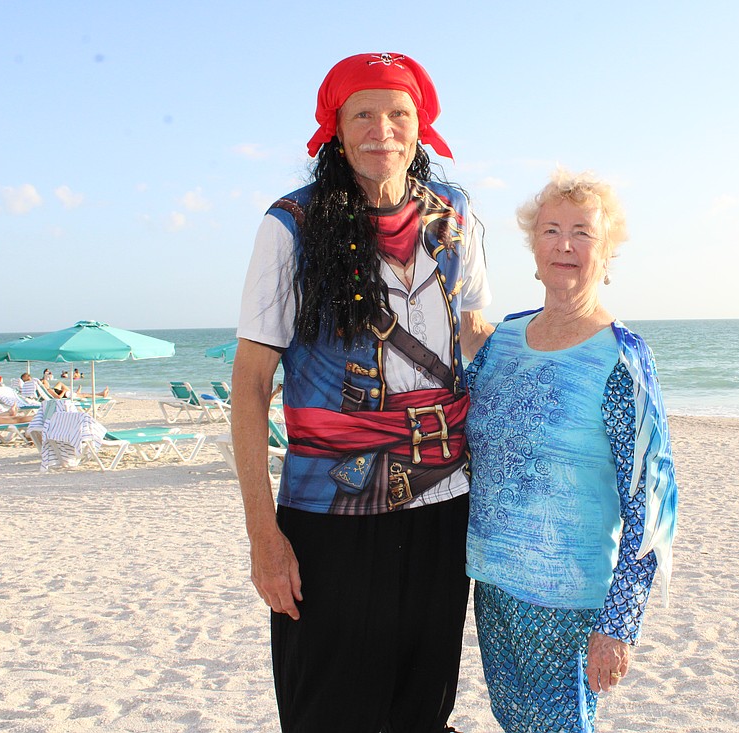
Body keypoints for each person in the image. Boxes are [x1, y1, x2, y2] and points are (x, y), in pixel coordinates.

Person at [232, 52, 492, 733]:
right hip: (330, 513)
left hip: (443, 504)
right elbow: (251, 384)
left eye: (399, 114)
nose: (384, 130)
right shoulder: (290, 224)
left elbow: (478, 340)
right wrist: (264, 534)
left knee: (422, 707)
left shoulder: (454, 215)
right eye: (364, 114)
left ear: (421, 128)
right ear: (336, 130)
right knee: (328, 712)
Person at [464, 169, 678, 732]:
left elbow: (649, 504)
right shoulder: (501, 341)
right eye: (551, 229)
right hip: (492, 586)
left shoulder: (621, 358)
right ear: (533, 248)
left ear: (606, 253)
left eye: (583, 232)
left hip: (569, 600)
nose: (565, 244)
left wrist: (620, 622)